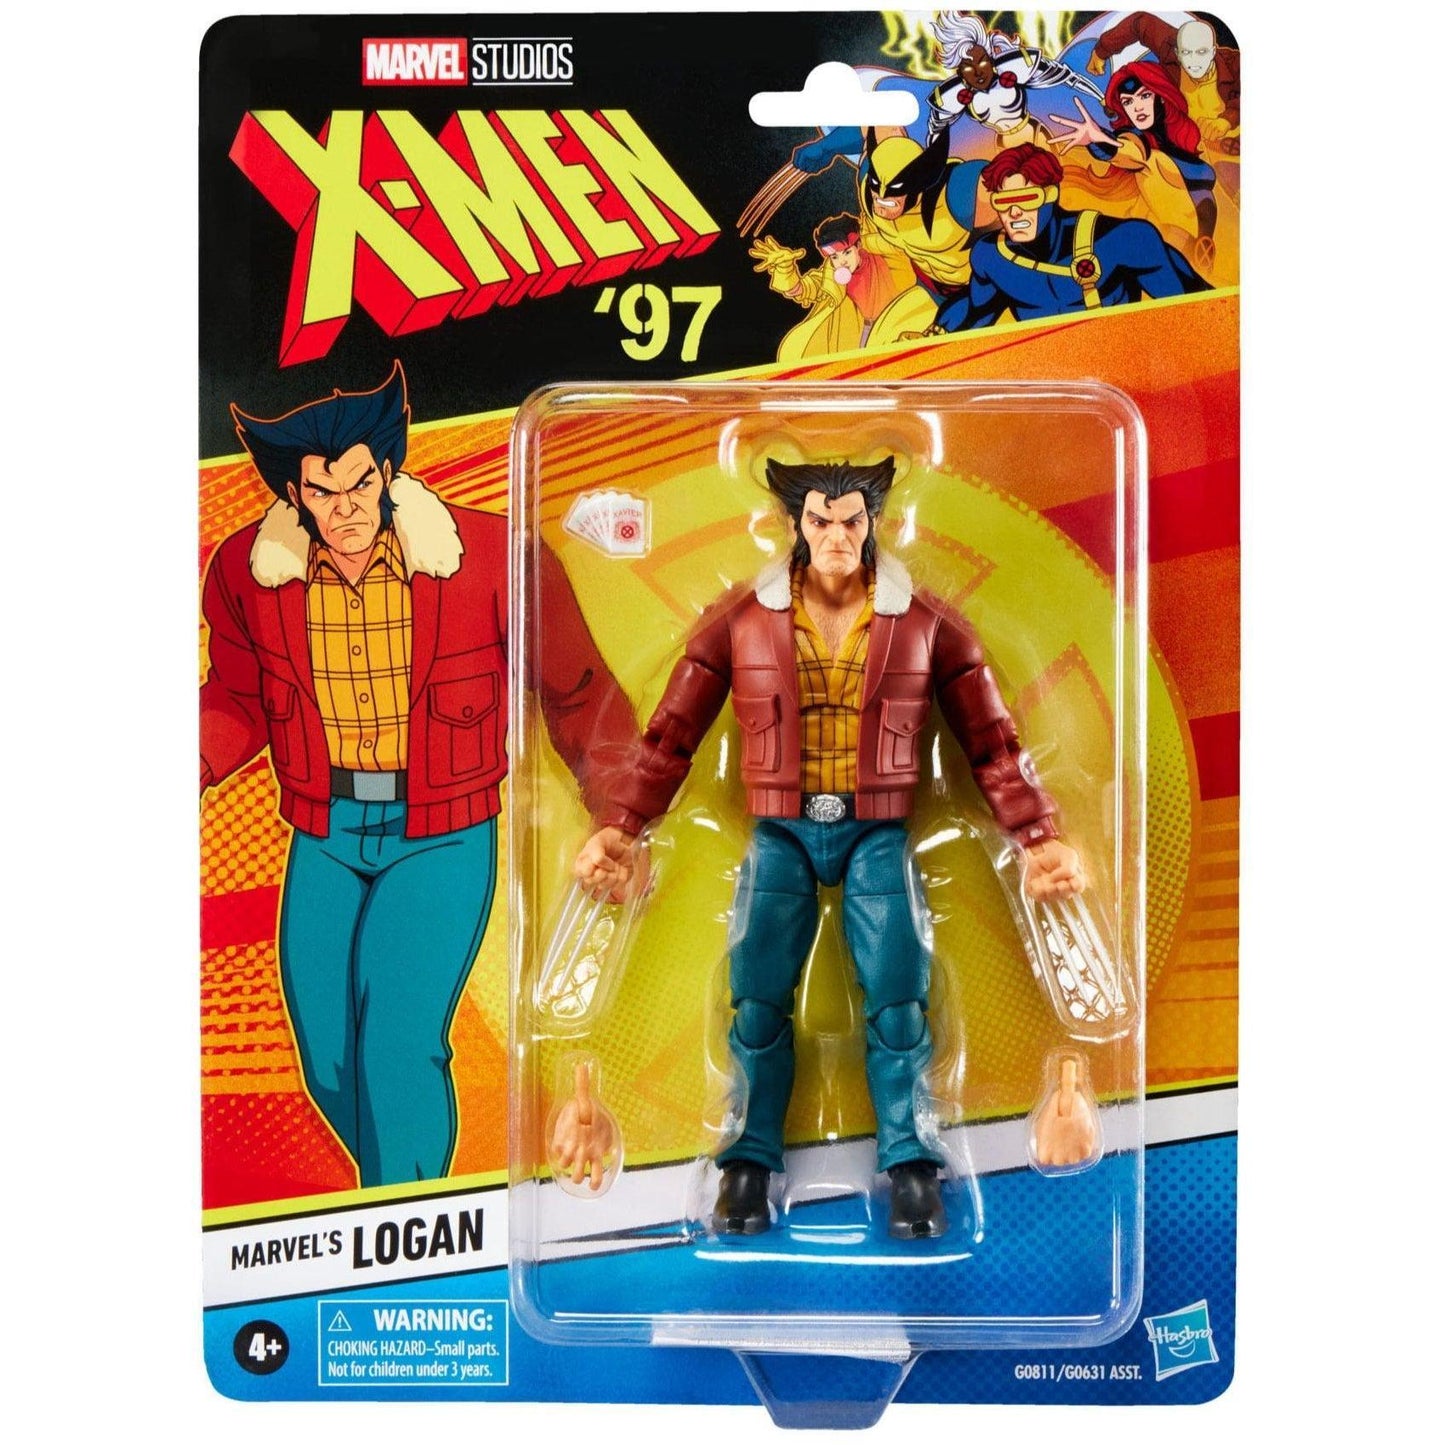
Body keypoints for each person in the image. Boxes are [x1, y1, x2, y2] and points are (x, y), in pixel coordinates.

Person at [567, 459, 1093, 1240]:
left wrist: (1036, 835)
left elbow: (991, 741)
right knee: (755, 998)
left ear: (872, 522)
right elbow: (670, 734)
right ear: (795, 524)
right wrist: (622, 823)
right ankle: (747, 1164)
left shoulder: (924, 622)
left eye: (851, 520)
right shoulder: (741, 618)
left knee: (898, 1001)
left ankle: (910, 1166)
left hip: (876, 829)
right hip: (778, 828)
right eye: (821, 520)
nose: (837, 535)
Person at [201, 364, 634, 1188]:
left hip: (441, 836)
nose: (346, 508)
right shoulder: (249, 575)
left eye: (360, 483)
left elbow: (579, 690)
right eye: (323, 492)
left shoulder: (490, 558)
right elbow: (238, 696)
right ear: (294, 495)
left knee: (398, 1047)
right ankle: (400, 1192)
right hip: (323, 834)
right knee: (329, 1060)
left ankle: (400, 1211)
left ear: (389, 471)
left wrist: (620, 814)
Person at [941, 143, 1208, 329]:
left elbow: (1190, 313)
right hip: (1048, 377)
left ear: (1052, 194)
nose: (1014, 212)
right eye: (1003, 202)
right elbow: (974, 314)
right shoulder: (991, 257)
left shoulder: (1123, 239)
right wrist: (935, 332)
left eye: (1027, 198)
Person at [747, 213, 930, 360]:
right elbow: (804, 289)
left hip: (902, 323)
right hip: (863, 333)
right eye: (834, 257)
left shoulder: (884, 257)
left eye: (847, 252)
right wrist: (785, 269)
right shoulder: (831, 275)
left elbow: (902, 244)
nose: (841, 261)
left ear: (859, 245)